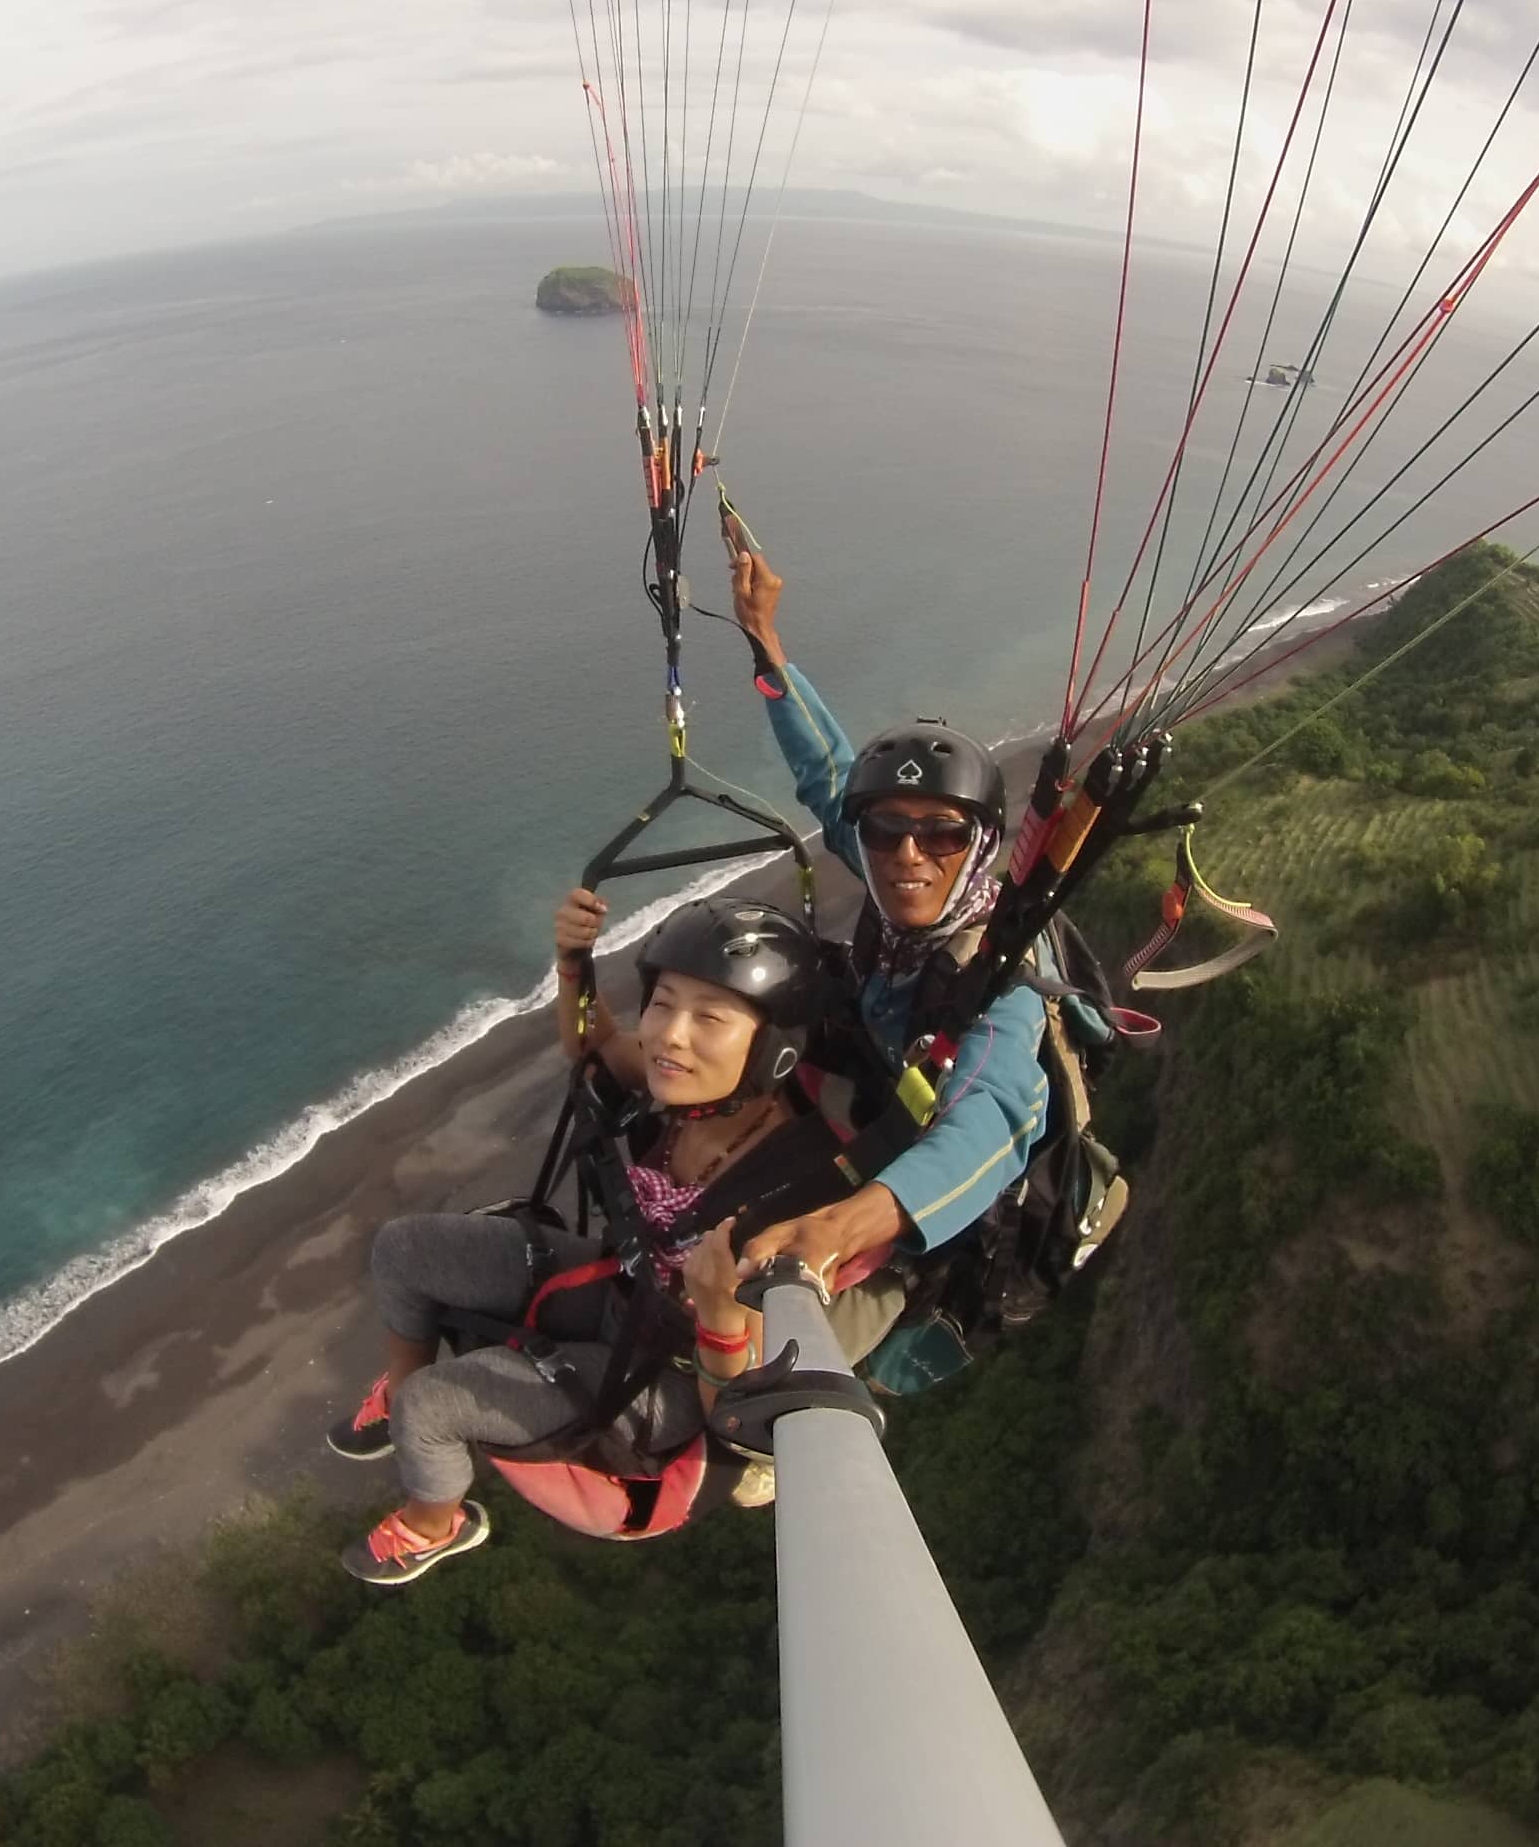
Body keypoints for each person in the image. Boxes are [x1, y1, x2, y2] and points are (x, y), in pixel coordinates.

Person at [322, 888, 826, 1586]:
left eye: (708, 1017)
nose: (669, 1035)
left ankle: (436, 1522)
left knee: (431, 1407)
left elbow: (734, 1413)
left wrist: (717, 1312)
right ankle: (397, 1402)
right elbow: (594, 1048)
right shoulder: (688, 1093)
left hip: (670, 1380)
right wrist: (572, 962)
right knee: (404, 1250)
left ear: (771, 1048)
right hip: (625, 1291)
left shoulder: (784, 1201)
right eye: (662, 1004)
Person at [719, 503, 1052, 1307]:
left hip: (918, 1193)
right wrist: (765, 641)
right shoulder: (881, 861)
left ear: (977, 846)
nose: (907, 856)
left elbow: (996, 1117)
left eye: (940, 835)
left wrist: (840, 1231)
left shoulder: (999, 973)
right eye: (887, 831)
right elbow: (827, 772)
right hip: (872, 1089)